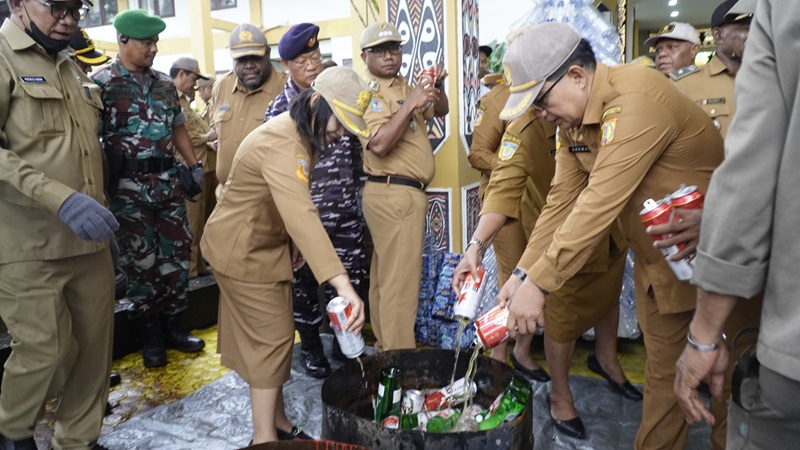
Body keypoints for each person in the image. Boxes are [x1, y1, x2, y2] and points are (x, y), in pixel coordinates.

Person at [496, 23, 723, 449]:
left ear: (578, 76)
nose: (540, 115)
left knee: (733, 384)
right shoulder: (574, 124)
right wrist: (523, 273)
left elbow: (598, 202)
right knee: (667, 379)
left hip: (720, 261)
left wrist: (541, 283)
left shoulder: (633, 97)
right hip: (663, 267)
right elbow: (560, 203)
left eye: (541, 101)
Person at [200, 67, 368, 445]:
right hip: (241, 251)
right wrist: (343, 284)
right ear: (314, 102)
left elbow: (285, 200)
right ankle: (264, 440)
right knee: (272, 341)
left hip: (264, 245)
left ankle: (278, 422)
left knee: (273, 338)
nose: (340, 135)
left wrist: (291, 242)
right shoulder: (285, 141)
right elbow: (302, 214)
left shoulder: (299, 133)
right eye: (339, 123)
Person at [457, 106, 638, 441]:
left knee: (608, 290)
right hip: (551, 232)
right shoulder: (525, 127)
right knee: (560, 310)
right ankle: (557, 394)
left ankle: (606, 358)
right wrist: (475, 247)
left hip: (609, 229)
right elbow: (503, 189)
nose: (542, 108)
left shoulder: (604, 110)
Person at [674, 0, 800, 448]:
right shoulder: (685, 88)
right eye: (735, 24)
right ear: (717, 34)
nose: (745, 31)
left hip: (753, 267)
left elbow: (750, 176)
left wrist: (703, 336)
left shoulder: (782, 17)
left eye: (751, 22)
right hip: (727, 253)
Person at [0, 0, 118, 448]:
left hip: (90, 245)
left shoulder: (70, 63)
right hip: (28, 246)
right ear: (16, 4)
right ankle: (11, 430)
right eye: (57, 6)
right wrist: (60, 199)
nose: (69, 17)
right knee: (42, 352)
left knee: (93, 356)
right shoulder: (3, 58)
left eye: (78, 7)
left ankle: (78, 441)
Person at [660, 3, 758, 448]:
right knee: (724, 363)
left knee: (757, 364)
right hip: (705, 247)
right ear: (718, 33)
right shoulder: (683, 89)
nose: (756, 30)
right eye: (744, 24)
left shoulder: (779, 81)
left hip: (769, 250)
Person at [93, 9, 205, 369]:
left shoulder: (163, 84)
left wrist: (194, 165)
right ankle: (150, 335)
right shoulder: (101, 84)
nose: (153, 48)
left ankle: (174, 326)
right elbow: (90, 140)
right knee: (140, 265)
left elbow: (178, 128)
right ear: (122, 40)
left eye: (156, 41)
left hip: (167, 184)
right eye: (146, 42)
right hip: (127, 192)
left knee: (175, 256)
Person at [264, 23, 366, 378]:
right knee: (305, 287)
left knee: (351, 279)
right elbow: (275, 178)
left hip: (344, 214)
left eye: (315, 57)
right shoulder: (280, 109)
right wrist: (289, 231)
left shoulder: (339, 98)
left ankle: (345, 345)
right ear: (286, 65)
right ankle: (310, 347)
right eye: (303, 60)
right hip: (306, 217)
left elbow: (355, 154)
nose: (312, 65)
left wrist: (356, 195)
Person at [359, 21, 449, 351]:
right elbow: (379, 145)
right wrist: (410, 102)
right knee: (400, 284)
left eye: (394, 49)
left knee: (387, 280)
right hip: (392, 192)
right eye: (379, 51)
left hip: (401, 193)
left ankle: (387, 351)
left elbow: (440, 109)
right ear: (364, 56)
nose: (389, 56)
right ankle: (400, 360)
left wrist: (437, 86)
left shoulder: (402, 85)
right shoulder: (367, 93)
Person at [467, 79, 548, 378]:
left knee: (536, 274)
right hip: (507, 206)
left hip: (542, 200)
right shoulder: (497, 98)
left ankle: (522, 352)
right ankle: (497, 356)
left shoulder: (545, 93)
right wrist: (513, 161)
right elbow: (477, 152)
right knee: (511, 279)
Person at [212, 23, 287, 184]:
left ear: (268, 53)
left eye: (255, 58)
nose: (249, 65)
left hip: (268, 196)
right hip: (226, 193)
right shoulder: (221, 87)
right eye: (241, 59)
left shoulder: (287, 89)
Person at [170, 57, 217, 278]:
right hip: (189, 172)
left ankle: (198, 266)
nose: (195, 85)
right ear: (181, 75)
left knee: (201, 223)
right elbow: (182, 135)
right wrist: (207, 137)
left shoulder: (186, 102)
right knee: (191, 224)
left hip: (204, 169)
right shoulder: (172, 99)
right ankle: (190, 271)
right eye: (193, 78)